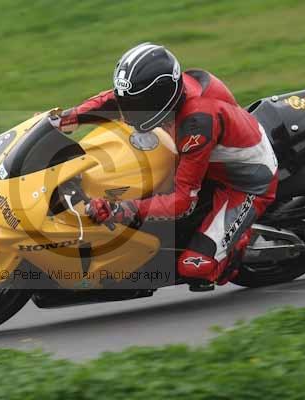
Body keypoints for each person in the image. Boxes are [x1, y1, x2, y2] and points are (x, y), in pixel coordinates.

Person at [51, 43, 278, 290]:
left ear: (160, 97)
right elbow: (113, 99)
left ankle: (237, 245)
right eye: (128, 102)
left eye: (137, 104)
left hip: (245, 182)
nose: (127, 112)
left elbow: (183, 202)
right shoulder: (172, 92)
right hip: (206, 156)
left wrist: (121, 209)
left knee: (195, 267)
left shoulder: (196, 124)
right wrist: (68, 117)